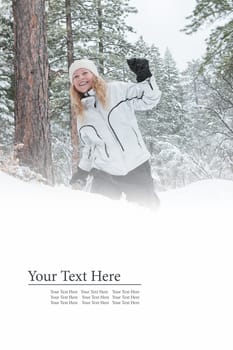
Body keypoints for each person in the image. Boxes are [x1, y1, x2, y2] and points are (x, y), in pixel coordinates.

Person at [69, 58, 161, 209]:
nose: (81, 78)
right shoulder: (82, 112)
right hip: (105, 172)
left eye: (85, 73)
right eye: (75, 76)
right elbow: (90, 147)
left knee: (146, 212)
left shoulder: (117, 90)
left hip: (136, 166)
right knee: (101, 216)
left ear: (94, 74)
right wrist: (82, 171)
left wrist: (145, 76)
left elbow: (150, 99)